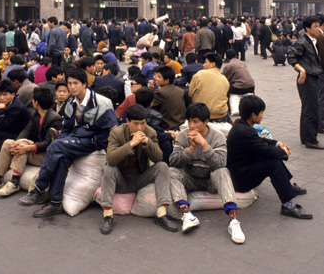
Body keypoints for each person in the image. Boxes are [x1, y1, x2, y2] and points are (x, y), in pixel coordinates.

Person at [18, 67, 118, 217]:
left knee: (55, 146)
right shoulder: (71, 102)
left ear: (84, 84)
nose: (72, 87)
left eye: (75, 83)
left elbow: (110, 131)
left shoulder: (101, 103)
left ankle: (38, 190)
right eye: (69, 83)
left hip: (92, 143)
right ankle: (56, 203)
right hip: (75, 140)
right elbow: (66, 127)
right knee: (62, 157)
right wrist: (64, 139)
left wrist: (92, 141)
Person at [169, 103, 245, 243]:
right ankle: (187, 214)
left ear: (206, 121)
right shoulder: (182, 135)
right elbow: (173, 161)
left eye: (196, 122)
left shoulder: (218, 136)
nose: (191, 125)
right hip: (190, 179)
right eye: (189, 121)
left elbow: (220, 163)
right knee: (171, 171)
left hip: (210, 180)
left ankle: (233, 221)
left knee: (222, 171)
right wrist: (190, 149)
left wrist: (204, 145)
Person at [227, 95, 312, 219]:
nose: (262, 115)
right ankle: (288, 205)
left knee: (272, 155)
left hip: (244, 168)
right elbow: (265, 150)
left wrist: (278, 144)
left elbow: (260, 141)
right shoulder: (245, 131)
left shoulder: (241, 125)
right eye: (261, 112)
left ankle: (286, 186)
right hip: (241, 180)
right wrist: (283, 152)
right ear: (253, 115)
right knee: (273, 162)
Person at [99, 104, 178, 235]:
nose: (140, 127)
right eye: (136, 124)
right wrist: (131, 144)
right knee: (109, 168)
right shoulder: (116, 133)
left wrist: (147, 143)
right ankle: (107, 215)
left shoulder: (150, 132)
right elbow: (111, 158)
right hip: (121, 180)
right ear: (127, 122)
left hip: (141, 178)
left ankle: (162, 213)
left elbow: (158, 157)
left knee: (162, 166)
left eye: (143, 123)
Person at [0, 87, 61, 196]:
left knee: (23, 147)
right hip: (33, 150)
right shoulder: (35, 114)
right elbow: (26, 130)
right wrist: (17, 143)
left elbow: (48, 143)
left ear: (36, 102)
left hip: (44, 155)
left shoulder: (54, 119)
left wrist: (28, 147)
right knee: (8, 142)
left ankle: (15, 181)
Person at [287, 16, 324, 149]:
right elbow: (291, 56)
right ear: (307, 28)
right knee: (312, 109)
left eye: (318, 25)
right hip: (307, 78)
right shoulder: (302, 41)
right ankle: (311, 140)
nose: (318, 28)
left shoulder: (312, 41)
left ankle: (305, 138)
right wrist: (301, 69)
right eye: (315, 26)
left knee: (307, 108)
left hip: (312, 76)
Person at [0, 79, 31, 168]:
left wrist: (0, 110)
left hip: (19, 134)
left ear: (13, 94)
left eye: (5, 94)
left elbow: (1, 125)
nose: (1, 98)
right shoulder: (4, 103)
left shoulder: (17, 107)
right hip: (9, 127)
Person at [188, 52, 230, 122]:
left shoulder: (200, 74)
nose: (203, 65)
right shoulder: (224, 79)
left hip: (202, 115)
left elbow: (190, 93)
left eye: (205, 62)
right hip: (221, 115)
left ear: (213, 64)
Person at [152, 66, 187, 130]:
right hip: (181, 124)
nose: (155, 78)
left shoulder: (160, 92)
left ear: (166, 80)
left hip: (167, 126)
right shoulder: (181, 90)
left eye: (159, 77)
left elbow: (149, 105)